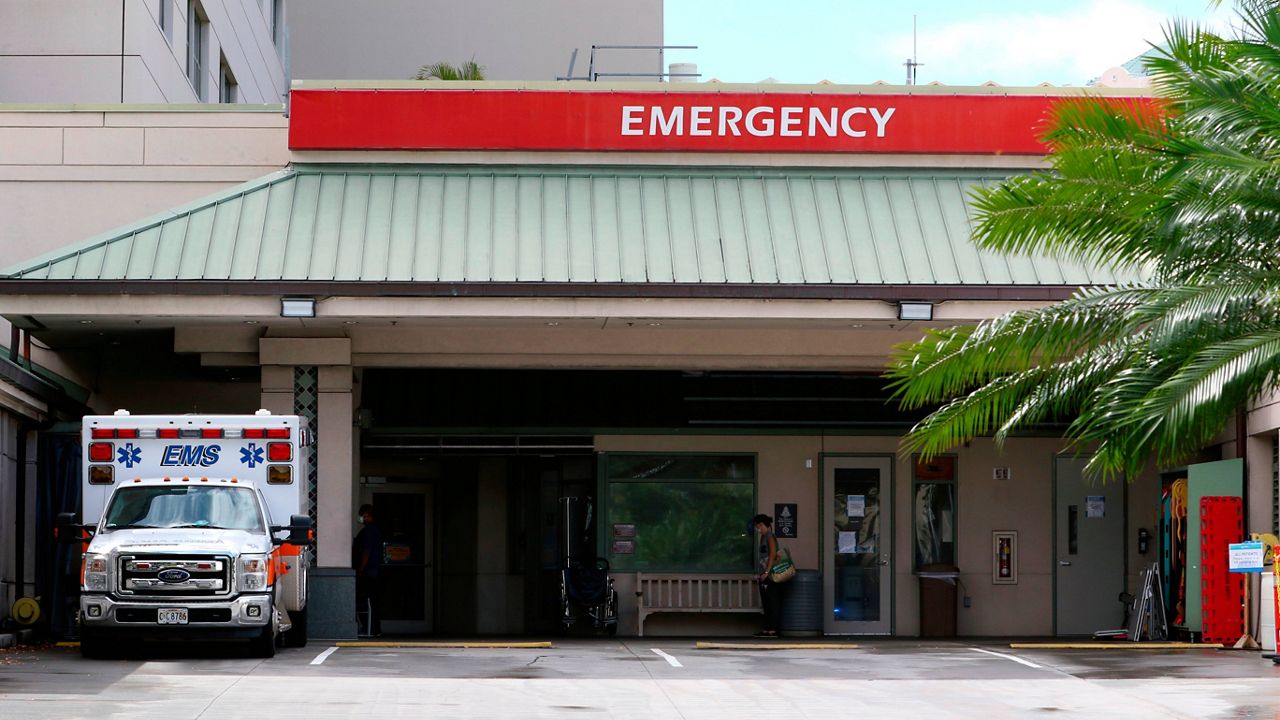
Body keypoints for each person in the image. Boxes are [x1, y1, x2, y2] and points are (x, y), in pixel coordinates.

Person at [352, 503, 384, 636]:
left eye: (365, 516)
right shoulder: (375, 531)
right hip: (373, 571)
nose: (363, 518)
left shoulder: (369, 532)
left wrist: (360, 568)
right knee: (372, 601)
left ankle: (370, 628)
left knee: (365, 602)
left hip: (368, 572)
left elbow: (366, 552)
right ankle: (373, 628)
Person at [752, 513, 783, 638]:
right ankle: (767, 628)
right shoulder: (764, 537)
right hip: (763, 574)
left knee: (771, 602)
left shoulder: (770, 536)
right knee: (766, 602)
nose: (758, 529)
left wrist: (766, 572)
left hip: (769, 575)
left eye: (759, 526)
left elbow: (772, 555)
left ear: (763, 525)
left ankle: (772, 629)